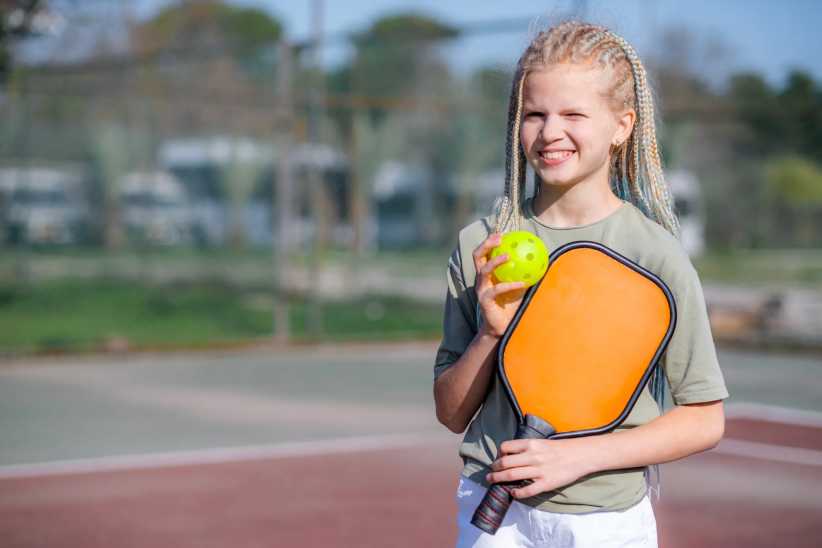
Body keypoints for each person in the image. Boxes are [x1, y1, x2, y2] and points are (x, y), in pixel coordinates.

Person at [433, 21, 729, 548]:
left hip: (603, 522)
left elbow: (704, 419)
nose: (550, 133)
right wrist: (490, 333)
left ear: (622, 125)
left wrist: (577, 457)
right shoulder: (480, 244)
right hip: (490, 509)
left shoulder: (655, 255)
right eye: (534, 114)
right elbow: (452, 413)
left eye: (573, 114)